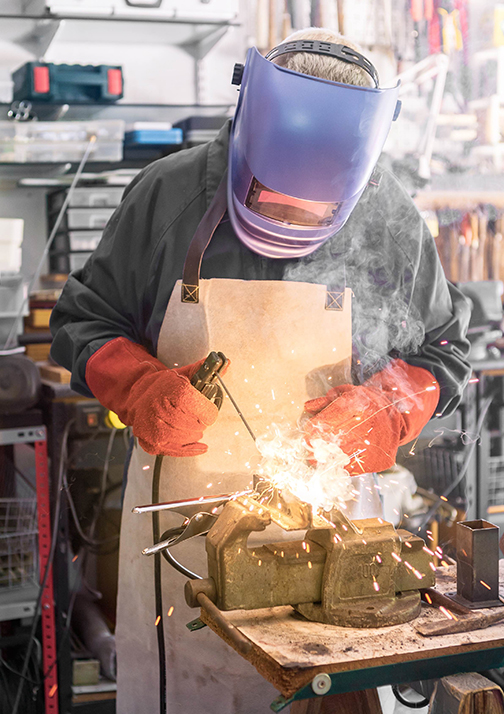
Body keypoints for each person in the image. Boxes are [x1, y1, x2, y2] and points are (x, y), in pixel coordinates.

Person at [50, 27, 471, 714]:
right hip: (182, 538)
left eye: (320, 215)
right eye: (272, 200)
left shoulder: (390, 219)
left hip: (334, 537)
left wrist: (390, 407)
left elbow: (446, 352)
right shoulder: (168, 194)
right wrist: (139, 386)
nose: (291, 224)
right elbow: (80, 323)